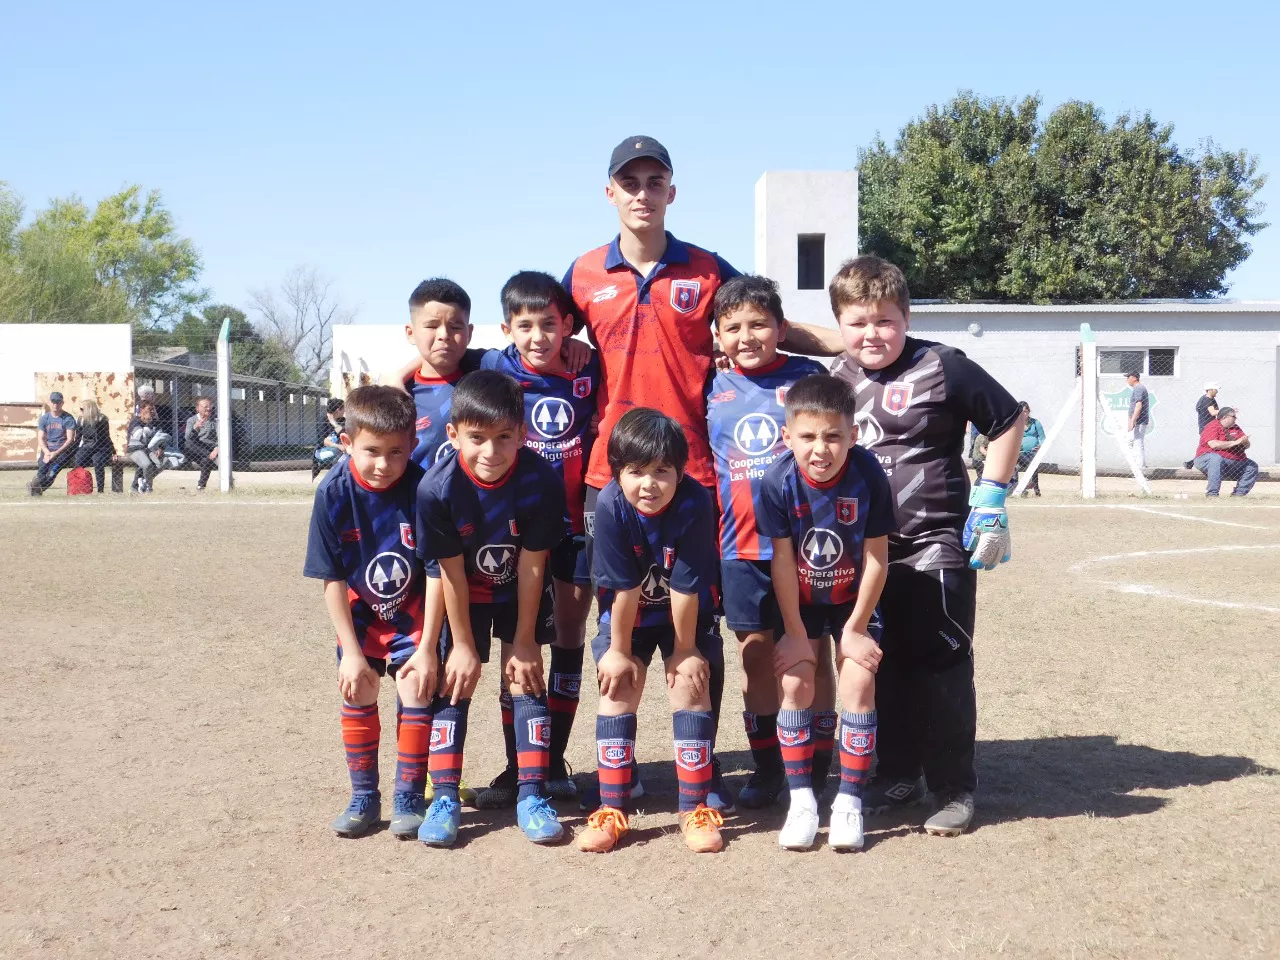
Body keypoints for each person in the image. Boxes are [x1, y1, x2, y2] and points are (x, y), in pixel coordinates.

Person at [563, 135, 843, 810]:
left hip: (693, 475)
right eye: (629, 181)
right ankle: (611, 770)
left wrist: (850, 342)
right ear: (610, 192)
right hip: (611, 477)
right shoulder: (582, 273)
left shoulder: (708, 269)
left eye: (654, 180)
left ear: (671, 191)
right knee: (619, 620)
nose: (642, 193)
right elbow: (539, 335)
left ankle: (703, 764)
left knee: (701, 624)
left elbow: (763, 321)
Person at [829, 255, 1022, 837]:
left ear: (907, 318)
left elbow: (1008, 418)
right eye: (858, 322)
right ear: (839, 324)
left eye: (885, 321)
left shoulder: (944, 365)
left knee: (942, 662)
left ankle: (953, 786)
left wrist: (992, 494)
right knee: (881, 661)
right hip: (866, 551)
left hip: (935, 541)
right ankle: (898, 773)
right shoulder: (835, 375)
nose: (872, 334)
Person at [415, 370, 568, 847]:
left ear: (522, 433)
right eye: (477, 438)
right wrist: (462, 645)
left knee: (524, 676)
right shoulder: (436, 489)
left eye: (504, 437)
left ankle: (531, 794)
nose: (491, 451)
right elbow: (450, 574)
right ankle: (443, 798)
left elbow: (533, 565)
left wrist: (524, 639)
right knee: (453, 681)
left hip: (520, 590)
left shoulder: (541, 480)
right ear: (453, 434)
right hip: (465, 594)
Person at [471, 271, 600, 808]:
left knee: (568, 637)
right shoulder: (493, 367)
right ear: (507, 329)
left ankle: (553, 762)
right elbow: (437, 359)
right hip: (516, 535)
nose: (539, 337)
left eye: (550, 325)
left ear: (568, 326)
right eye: (525, 326)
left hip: (574, 529)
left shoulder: (590, 368)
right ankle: (517, 766)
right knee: (517, 644)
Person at [703, 275, 830, 810]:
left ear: (782, 327)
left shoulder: (808, 377)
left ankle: (818, 763)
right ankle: (768, 767)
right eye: (733, 327)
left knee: (811, 655)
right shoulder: (710, 384)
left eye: (759, 324)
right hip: (740, 548)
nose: (747, 336)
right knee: (756, 658)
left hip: (803, 547)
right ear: (718, 334)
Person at [576, 408, 725, 854]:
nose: (649, 484)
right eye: (636, 471)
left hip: (685, 611)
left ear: (681, 471)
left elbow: (686, 586)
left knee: (690, 684)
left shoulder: (696, 502)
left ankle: (694, 808)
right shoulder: (609, 504)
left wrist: (685, 649)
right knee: (618, 684)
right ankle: (612, 808)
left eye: (662, 471)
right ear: (616, 472)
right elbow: (623, 589)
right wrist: (619, 652)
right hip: (630, 614)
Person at [757, 376, 896, 850]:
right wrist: (795, 633)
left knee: (858, 679)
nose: (821, 449)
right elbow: (781, 561)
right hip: (801, 602)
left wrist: (855, 628)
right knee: (796, 683)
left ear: (853, 435)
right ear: (787, 437)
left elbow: (877, 559)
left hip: (853, 602)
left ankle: (848, 802)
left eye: (834, 436)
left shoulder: (868, 475)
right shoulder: (776, 481)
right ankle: (802, 802)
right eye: (808, 436)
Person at [303, 385, 440, 838]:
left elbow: (437, 572)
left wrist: (427, 647)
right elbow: (331, 578)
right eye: (372, 451)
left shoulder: (422, 489)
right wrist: (350, 652)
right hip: (359, 614)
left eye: (396, 452)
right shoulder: (333, 492)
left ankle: (408, 796)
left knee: (416, 687)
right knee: (358, 687)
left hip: (413, 613)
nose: (383, 464)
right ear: (347, 443)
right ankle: (364, 796)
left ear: (413, 445)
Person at [1194, 407, 1258, 497]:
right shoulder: (1212, 425)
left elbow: (1247, 446)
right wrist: (1235, 442)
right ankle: (1212, 494)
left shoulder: (1236, 428)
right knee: (1215, 458)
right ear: (1224, 417)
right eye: (1233, 417)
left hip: (1234, 461)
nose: (1235, 419)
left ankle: (1238, 495)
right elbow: (1214, 444)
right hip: (1206, 459)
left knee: (1252, 466)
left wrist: (1245, 442)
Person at [29, 391, 78, 495]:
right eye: (53, 402)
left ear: (62, 403)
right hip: (48, 449)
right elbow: (41, 438)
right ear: (49, 402)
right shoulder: (44, 418)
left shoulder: (68, 418)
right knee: (42, 468)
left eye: (58, 402)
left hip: (63, 451)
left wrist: (56, 453)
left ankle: (35, 489)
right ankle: (36, 490)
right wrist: (46, 452)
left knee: (52, 472)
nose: (55, 404)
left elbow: (70, 439)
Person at [125, 402, 169, 493]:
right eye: (149, 409)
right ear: (142, 410)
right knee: (147, 464)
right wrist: (148, 424)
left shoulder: (155, 423)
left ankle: (142, 482)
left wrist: (160, 448)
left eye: (153, 409)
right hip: (135, 450)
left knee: (164, 461)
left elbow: (161, 437)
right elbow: (139, 437)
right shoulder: (135, 421)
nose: (152, 412)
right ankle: (147, 487)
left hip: (149, 450)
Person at [73, 399, 114, 493]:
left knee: (97, 460)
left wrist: (113, 451)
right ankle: (81, 487)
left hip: (101, 447)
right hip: (87, 446)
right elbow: (78, 438)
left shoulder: (102, 419)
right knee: (78, 460)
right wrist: (72, 451)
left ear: (89, 409)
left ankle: (100, 490)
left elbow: (107, 437)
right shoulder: (81, 420)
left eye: (82, 409)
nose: (80, 411)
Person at [183, 397, 219, 491]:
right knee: (188, 444)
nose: (209, 408)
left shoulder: (215, 421)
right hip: (196, 449)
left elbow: (220, 437)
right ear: (198, 408)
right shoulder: (191, 420)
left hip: (209, 448)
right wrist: (195, 428)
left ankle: (201, 486)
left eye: (210, 406)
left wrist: (217, 448)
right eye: (206, 406)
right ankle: (210, 456)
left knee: (206, 461)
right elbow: (187, 438)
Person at [1017, 401, 1045, 497]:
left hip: (1033, 452)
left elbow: (1043, 438)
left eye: (1025, 411)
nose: (1023, 414)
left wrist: (1040, 446)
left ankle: (1036, 490)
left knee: (1033, 464)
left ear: (1028, 411)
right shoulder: (1016, 423)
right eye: (1021, 412)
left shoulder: (1035, 423)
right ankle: (1023, 487)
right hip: (1020, 452)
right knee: (1032, 464)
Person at [313, 398, 345, 480]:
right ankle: (334, 477)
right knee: (339, 453)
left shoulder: (342, 420)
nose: (344, 411)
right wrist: (338, 446)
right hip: (321, 452)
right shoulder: (323, 419)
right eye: (343, 409)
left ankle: (340, 476)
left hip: (339, 450)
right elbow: (322, 441)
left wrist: (334, 423)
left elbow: (344, 433)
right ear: (338, 409)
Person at [1125, 372, 1150, 475]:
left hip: (1139, 421)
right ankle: (1140, 467)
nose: (1127, 379)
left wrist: (1132, 421)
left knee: (1138, 443)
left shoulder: (1138, 388)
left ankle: (1140, 470)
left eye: (1128, 377)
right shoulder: (1138, 388)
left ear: (1134, 378)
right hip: (1138, 421)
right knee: (1134, 442)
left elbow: (1139, 405)